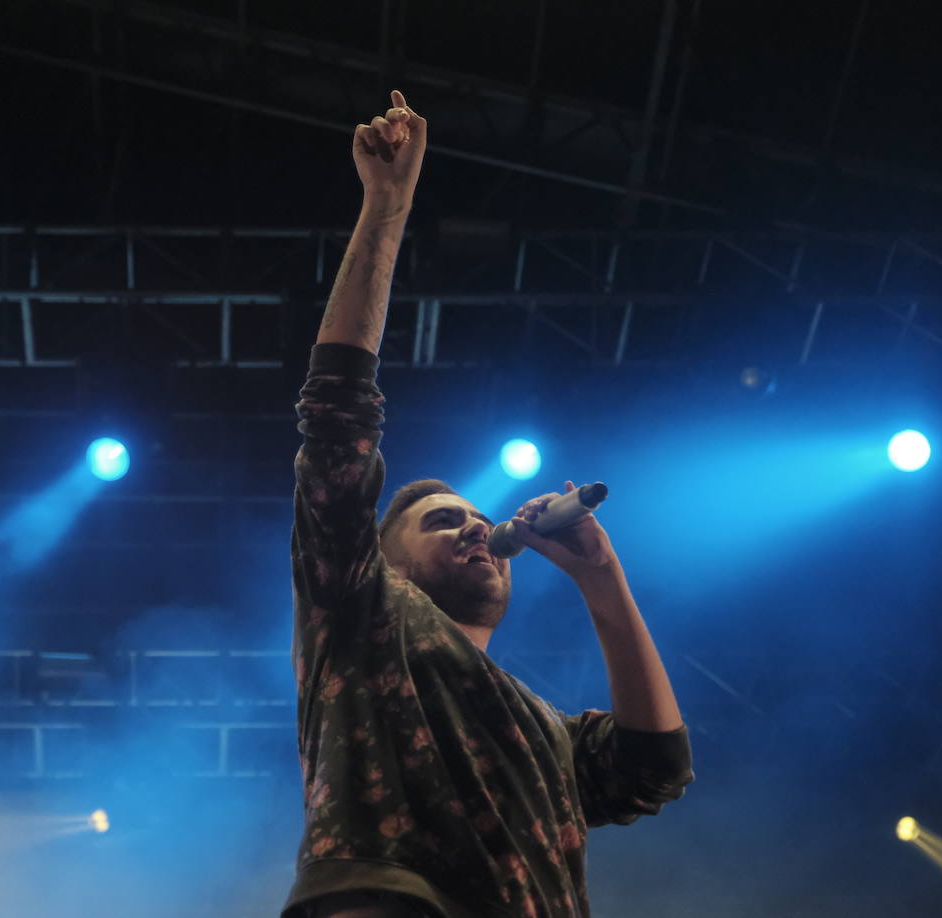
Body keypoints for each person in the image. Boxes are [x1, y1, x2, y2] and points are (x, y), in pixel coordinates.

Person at [286, 91, 694, 918]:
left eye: (475, 516)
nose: (474, 522)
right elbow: (337, 418)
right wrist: (387, 208)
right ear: (380, 561)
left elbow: (655, 765)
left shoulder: (542, 728)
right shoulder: (363, 615)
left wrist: (603, 581)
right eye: (441, 520)